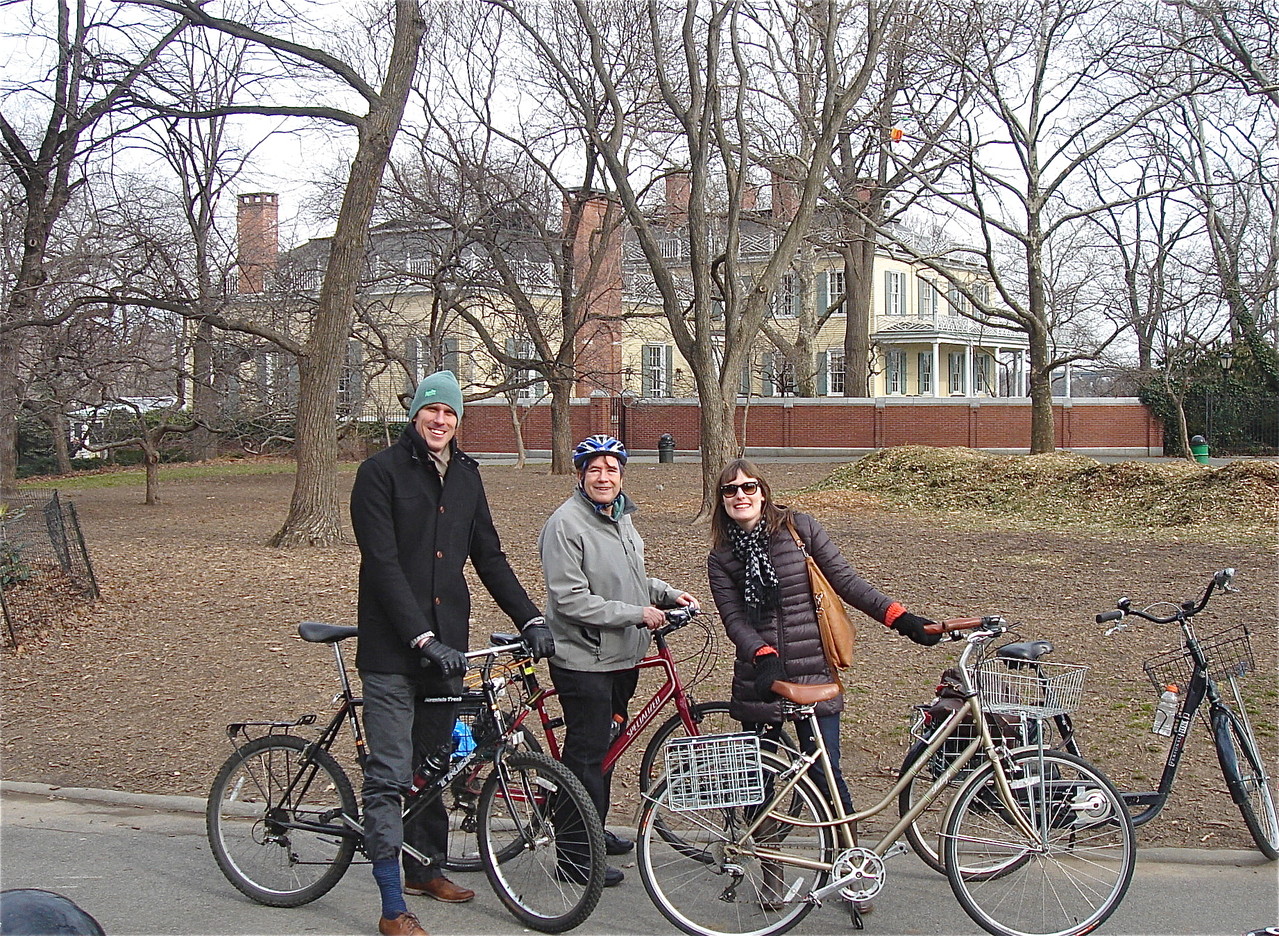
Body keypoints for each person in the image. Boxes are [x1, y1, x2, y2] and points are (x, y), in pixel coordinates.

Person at [350, 370, 554, 936]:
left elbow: (489, 556)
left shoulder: (466, 476)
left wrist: (530, 616)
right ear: (414, 415)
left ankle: (426, 869)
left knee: (434, 769)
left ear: (458, 422)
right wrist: (419, 636)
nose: (440, 421)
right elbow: (382, 565)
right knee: (391, 774)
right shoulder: (378, 474)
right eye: (431, 411)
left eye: (450, 413)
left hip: (447, 649)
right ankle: (393, 907)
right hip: (395, 651)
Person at [707, 458, 940, 857]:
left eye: (748, 487)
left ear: (763, 492)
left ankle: (847, 865)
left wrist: (901, 619)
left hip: (814, 674)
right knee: (758, 785)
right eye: (731, 490)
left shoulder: (800, 530)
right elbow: (733, 620)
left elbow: (847, 583)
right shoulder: (721, 557)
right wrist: (763, 656)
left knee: (826, 774)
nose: (740, 496)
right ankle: (769, 873)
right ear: (722, 500)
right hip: (762, 680)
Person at [539, 434, 700, 887]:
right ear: (580, 475)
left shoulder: (620, 517)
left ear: (622, 475)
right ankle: (573, 857)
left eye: (612, 469)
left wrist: (665, 593)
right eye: (595, 469)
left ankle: (592, 828)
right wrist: (638, 614)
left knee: (606, 750)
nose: (604, 476)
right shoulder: (565, 524)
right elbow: (570, 600)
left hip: (621, 658)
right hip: (583, 659)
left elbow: (630, 577)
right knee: (586, 757)